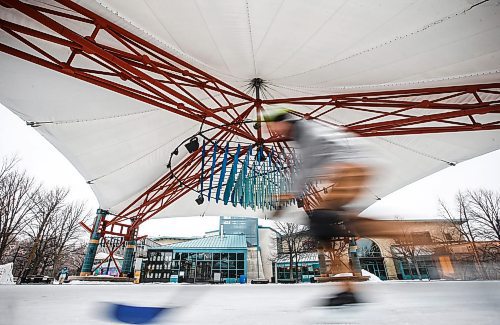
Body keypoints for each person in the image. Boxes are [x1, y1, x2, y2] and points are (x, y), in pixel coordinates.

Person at [264, 107, 373, 306]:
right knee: (321, 221)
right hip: (348, 170)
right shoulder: (304, 133)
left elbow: (305, 169)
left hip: (350, 170)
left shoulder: (306, 133)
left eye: (275, 127)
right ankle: (348, 288)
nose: (276, 132)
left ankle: (358, 232)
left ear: (284, 122)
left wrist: (286, 198)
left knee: (321, 220)